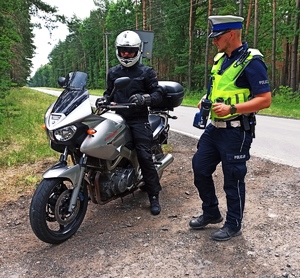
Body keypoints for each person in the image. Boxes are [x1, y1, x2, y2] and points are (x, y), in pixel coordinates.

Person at [189, 15, 272, 241]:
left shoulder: (251, 61)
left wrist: (233, 108)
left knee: (233, 178)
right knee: (200, 167)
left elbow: (265, 99)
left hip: (236, 130)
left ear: (231, 34)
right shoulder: (220, 59)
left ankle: (234, 224)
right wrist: (205, 98)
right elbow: (216, 88)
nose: (214, 41)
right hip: (214, 128)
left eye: (218, 37)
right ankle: (211, 212)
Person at [95, 30, 164, 215]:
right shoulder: (113, 72)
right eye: (123, 51)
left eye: (130, 51)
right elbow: (108, 93)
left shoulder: (146, 72)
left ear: (138, 51)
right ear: (118, 51)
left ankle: (154, 195)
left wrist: (145, 98)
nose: (126, 55)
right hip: (115, 117)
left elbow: (158, 94)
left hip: (137, 119)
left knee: (144, 154)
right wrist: (103, 100)